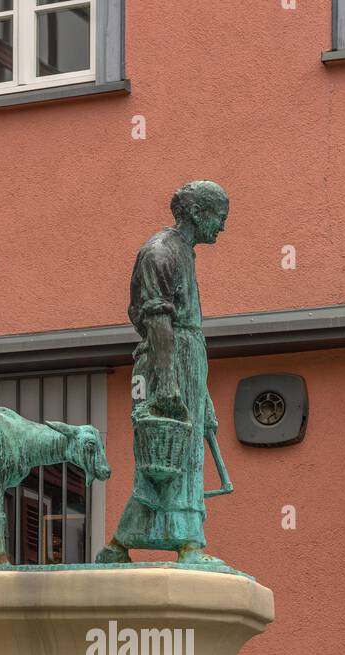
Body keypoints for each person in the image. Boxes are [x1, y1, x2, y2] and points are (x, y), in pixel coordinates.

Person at [97, 180, 230, 567]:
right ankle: (189, 544)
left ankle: (119, 545)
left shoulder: (183, 252)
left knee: (175, 457)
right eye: (219, 217)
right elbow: (156, 320)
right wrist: (170, 382)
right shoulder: (161, 251)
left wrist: (201, 395)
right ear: (196, 214)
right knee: (171, 456)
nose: (221, 227)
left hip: (186, 359)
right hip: (165, 359)